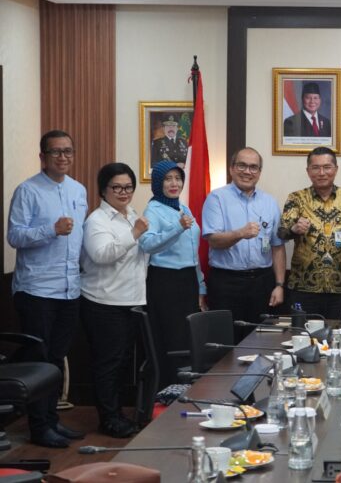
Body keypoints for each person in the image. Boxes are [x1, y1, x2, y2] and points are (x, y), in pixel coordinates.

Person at [7, 130, 88, 448]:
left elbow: (79, 240)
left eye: (68, 151)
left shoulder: (78, 190)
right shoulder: (27, 190)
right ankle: (38, 427)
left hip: (70, 288)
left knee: (56, 358)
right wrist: (50, 230)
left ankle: (52, 419)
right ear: (43, 157)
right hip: (37, 289)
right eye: (55, 152)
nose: (63, 157)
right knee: (39, 360)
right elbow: (15, 236)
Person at [80, 162, 149, 438]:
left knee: (122, 363)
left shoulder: (132, 214)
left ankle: (118, 414)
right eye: (117, 187)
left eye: (128, 187)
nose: (123, 192)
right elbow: (102, 255)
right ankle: (108, 419)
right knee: (107, 364)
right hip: (103, 302)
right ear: (103, 190)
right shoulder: (96, 220)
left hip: (131, 299)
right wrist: (134, 234)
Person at [202, 148, 285, 339]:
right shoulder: (216, 198)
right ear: (232, 168)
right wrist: (240, 233)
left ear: (259, 172)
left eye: (253, 167)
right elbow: (213, 240)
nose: (247, 172)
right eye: (242, 165)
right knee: (226, 340)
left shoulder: (270, 202)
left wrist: (279, 284)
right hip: (227, 283)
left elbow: (277, 246)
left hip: (262, 283)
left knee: (262, 339)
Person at [139, 160, 207, 386]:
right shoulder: (153, 209)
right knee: (171, 340)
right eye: (168, 179)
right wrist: (177, 227)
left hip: (188, 281)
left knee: (188, 338)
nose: (174, 183)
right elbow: (147, 244)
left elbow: (193, 252)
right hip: (165, 282)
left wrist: (200, 286)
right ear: (158, 183)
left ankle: (184, 390)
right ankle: (167, 393)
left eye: (178, 178)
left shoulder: (182, 207)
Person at [278, 147, 341, 319]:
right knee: (303, 337)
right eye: (316, 168)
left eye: (327, 167)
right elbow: (282, 232)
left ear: (336, 169)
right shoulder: (296, 198)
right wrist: (294, 229)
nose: (322, 172)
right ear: (308, 171)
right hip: (303, 286)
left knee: (340, 337)